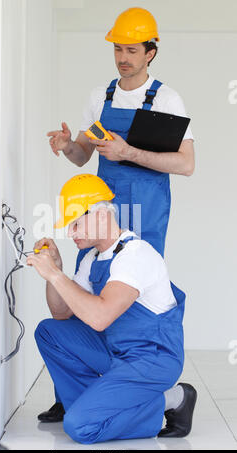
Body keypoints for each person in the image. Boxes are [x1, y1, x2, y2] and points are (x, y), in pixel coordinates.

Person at [27, 174, 197, 443]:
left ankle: (172, 399)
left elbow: (100, 317)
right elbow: (61, 314)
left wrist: (56, 277)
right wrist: (55, 271)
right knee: (49, 332)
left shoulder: (135, 256)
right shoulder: (94, 258)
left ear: (100, 215)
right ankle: (96, 405)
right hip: (116, 352)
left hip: (151, 360)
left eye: (76, 224)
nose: (71, 233)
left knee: (81, 427)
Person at [47, 7, 195, 264]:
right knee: (93, 278)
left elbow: (186, 164)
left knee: (138, 278)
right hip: (102, 206)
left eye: (132, 50)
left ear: (150, 53)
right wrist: (68, 145)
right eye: (118, 49)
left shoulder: (166, 100)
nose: (122, 57)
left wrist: (127, 152)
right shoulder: (100, 96)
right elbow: (82, 156)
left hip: (146, 209)